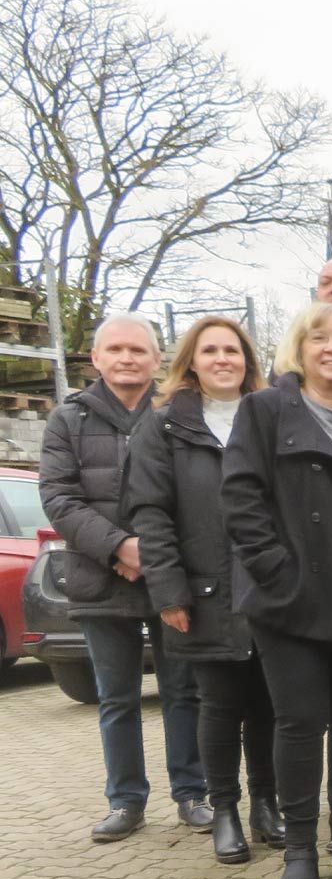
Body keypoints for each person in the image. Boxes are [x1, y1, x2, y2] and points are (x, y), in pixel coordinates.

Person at [223, 303, 332, 879]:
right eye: (319, 338)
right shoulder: (265, 410)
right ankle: (299, 849)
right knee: (298, 724)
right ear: (300, 348)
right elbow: (241, 498)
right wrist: (277, 571)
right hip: (289, 601)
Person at [39, 315, 207, 842]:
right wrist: (120, 547)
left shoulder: (180, 414)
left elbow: (197, 495)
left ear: (159, 360)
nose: (128, 358)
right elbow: (59, 498)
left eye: (139, 349)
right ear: (96, 358)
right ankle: (127, 801)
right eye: (116, 349)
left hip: (172, 579)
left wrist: (156, 555)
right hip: (101, 577)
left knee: (184, 692)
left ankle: (192, 792)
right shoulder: (67, 420)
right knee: (117, 697)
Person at [125, 317, 281, 864]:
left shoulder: (268, 416)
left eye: (233, 351)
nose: (223, 360)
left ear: (247, 361)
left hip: (267, 589)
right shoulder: (164, 426)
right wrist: (168, 592)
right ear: (191, 361)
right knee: (218, 705)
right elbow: (152, 514)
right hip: (205, 590)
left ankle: (267, 803)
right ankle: (225, 811)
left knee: (267, 702)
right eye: (210, 350)